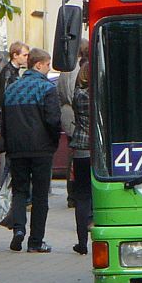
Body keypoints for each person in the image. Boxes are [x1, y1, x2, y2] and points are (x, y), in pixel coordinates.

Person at [1, 47, 61, 253]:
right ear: (38, 65)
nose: (49, 68)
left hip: (17, 149)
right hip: (41, 149)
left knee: (19, 191)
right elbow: (53, 120)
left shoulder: (11, 89)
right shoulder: (47, 89)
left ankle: (18, 230)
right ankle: (36, 241)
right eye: (47, 64)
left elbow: (5, 122)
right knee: (40, 196)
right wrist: (53, 142)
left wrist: (8, 145)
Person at [0, 41, 29, 228]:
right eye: (24, 54)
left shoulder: (13, 73)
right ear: (15, 55)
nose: (26, 58)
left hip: (8, 127)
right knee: (8, 173)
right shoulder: (8, 74)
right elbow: (5, 101)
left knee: (10, 173)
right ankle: (4, 211)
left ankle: (7, 211)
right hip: (9, 128)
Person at [64, 44, 91, 255]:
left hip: (82, 149)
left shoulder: (79, 96)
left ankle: (82, 242)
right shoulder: (103, 95)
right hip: (101, 152)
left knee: (81, 197)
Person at [57, 48, 82, 208]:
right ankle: (75, 193)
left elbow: (60, 93)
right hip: (75, 116)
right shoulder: (77, 68)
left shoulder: (64, 70)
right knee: (78, 157)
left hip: (66, 115)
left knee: (72, 156)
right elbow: (74, 93)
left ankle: (71, 194)